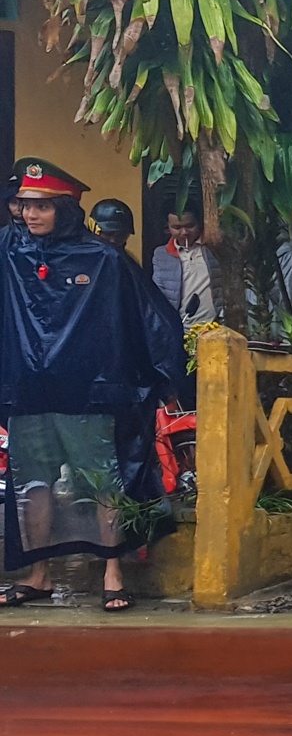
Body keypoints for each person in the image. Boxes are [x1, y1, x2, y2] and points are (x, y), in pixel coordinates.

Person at [0, 159, 185, 611]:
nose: (30, 214)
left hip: (89, 396)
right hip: (28, 393)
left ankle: (112, 573)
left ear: (64, 208)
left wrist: (164, 376)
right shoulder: (9, 251)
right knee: (32, 485)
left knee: (103, 482)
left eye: (42, 205)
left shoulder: (103, 259)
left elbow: (150, 317)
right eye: (24, 204)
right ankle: (37, 575)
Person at [152, 209, 224, 330]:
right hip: (181, 327)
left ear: (199, 223)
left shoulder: (214, 247)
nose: (184, 232)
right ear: (168, 227)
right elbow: (158, 294)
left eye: (190, 226)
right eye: (177, 227)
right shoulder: (161, 254)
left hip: (216, 326)